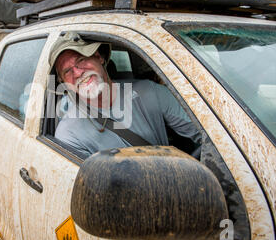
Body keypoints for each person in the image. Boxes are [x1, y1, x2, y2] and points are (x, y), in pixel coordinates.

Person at [51, 31, 201, 158]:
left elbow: (208, 135)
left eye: (81, 60)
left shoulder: (149, 92)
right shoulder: (69, 134)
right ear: (65, 83)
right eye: (67, 71)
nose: (77, 72)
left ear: (99, 57)